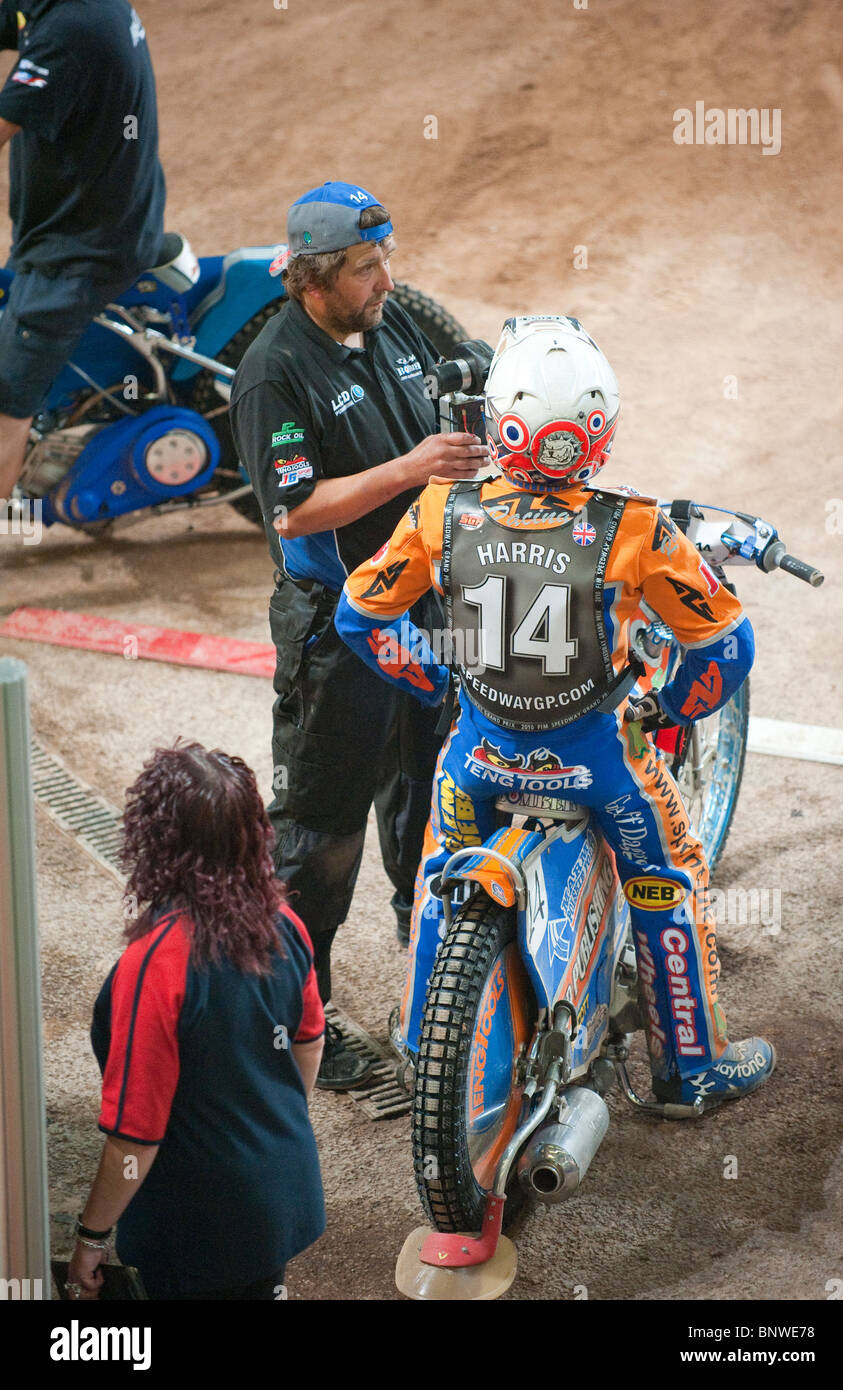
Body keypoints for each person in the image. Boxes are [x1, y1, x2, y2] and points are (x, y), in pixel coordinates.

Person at [335, 314, 775, 1107]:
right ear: (598, 431)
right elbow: (726, 647)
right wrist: (670, 700)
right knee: (666, 883)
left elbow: (359, 614)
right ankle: (689, 1067)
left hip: (475, 756)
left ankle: (420, 1044)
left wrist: (432, 678)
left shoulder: (443, 511)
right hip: (602, 763)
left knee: (440, 883)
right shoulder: (635, 527)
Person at [229, 180, 487, 1089]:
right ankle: (304, 1019)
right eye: (366, 267)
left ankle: (435, 985)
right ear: (312, 279)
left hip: (425, 607)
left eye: (386, 261)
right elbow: (296, 510)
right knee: (319, 833)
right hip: (336, 632)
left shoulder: (390, 321)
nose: (386, 279)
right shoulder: (273, 369)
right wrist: (414, 469)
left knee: (429, 794)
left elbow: (476, 364)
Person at [64, 741, 326, 1301]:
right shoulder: (285, 923)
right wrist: (265, 1126)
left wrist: (90, 1238)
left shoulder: (156, 963)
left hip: (199, 1221)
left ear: (154, 840)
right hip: (284, 1193)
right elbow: (309, 1044)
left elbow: (134, 1139)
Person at [0, 0, 165, 503]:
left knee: (7, 402)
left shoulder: (71, 30)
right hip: (96, 219)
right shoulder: (72, 6)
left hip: (81, 250)